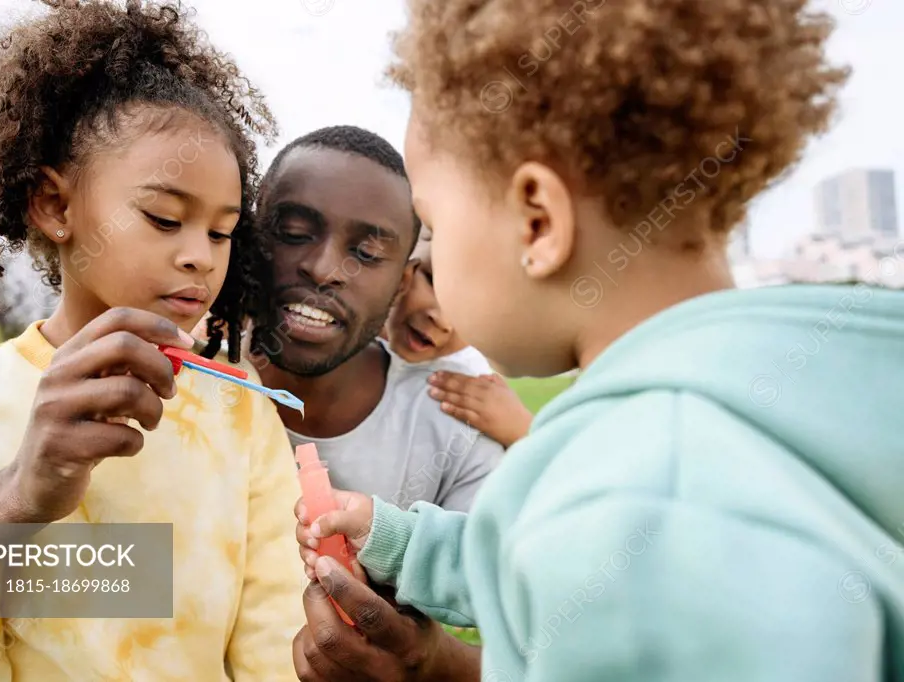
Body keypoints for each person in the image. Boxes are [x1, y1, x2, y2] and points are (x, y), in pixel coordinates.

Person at [298, 1, 904, 681]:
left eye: (433, 218)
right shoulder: (760, 409)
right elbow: (547, 548)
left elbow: (602, 544)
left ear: (537, 223)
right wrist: (399, 541)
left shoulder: (646, 497)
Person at [0, 1, 304, 679]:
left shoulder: (242, 408)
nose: (201, 256)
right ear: (55, 206)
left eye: (222, 232)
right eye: (164, 217)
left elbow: (274, 640)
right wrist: (20, 493)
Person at [233, 125, 500, 680]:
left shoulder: (455, 420)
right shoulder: (175, 386)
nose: (326, 268)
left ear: (402, 282)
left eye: (367, 252)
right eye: (294, 231)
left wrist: (428, 661)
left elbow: (536, 627)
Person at [385, 225, 533, 448]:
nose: (443, 321)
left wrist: (521, 433)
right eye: (434, 282)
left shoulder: (466, 391)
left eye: (477, 311)